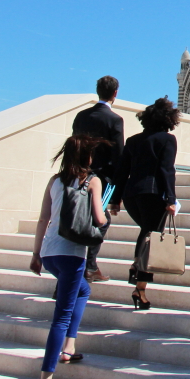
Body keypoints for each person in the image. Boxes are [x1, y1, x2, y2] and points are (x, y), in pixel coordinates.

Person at [30, 136, 108, 379]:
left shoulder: (54, 181)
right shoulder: (92, 180)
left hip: (50, 252)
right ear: (87, 157)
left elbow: (43, 219)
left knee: (83, 290)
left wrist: (35, 254)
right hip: (72, 253)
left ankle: (70, 345)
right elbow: (98, 218)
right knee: (61, 317)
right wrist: (106, 217)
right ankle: (47, 378)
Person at [108, 97, 180, 308]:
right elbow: (167, 170)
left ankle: (138, 277)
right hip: (153, 194)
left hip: (132, 194)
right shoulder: (167, 140)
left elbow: (122, 173)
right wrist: (171, 198)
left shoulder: (133, 140)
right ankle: (139, 284)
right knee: (149, 235)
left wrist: (115, 199)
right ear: (169, 120)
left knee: (147, 233)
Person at [71, 75, 124, 283]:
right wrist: (117, 193)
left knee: (79, 218)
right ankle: (90, 265)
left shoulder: (81, 116)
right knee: (101, 219)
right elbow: (118, 156)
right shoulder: (115, 120)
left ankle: (80, 265)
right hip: (103, 181)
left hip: (78, 175)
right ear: (115, 93)